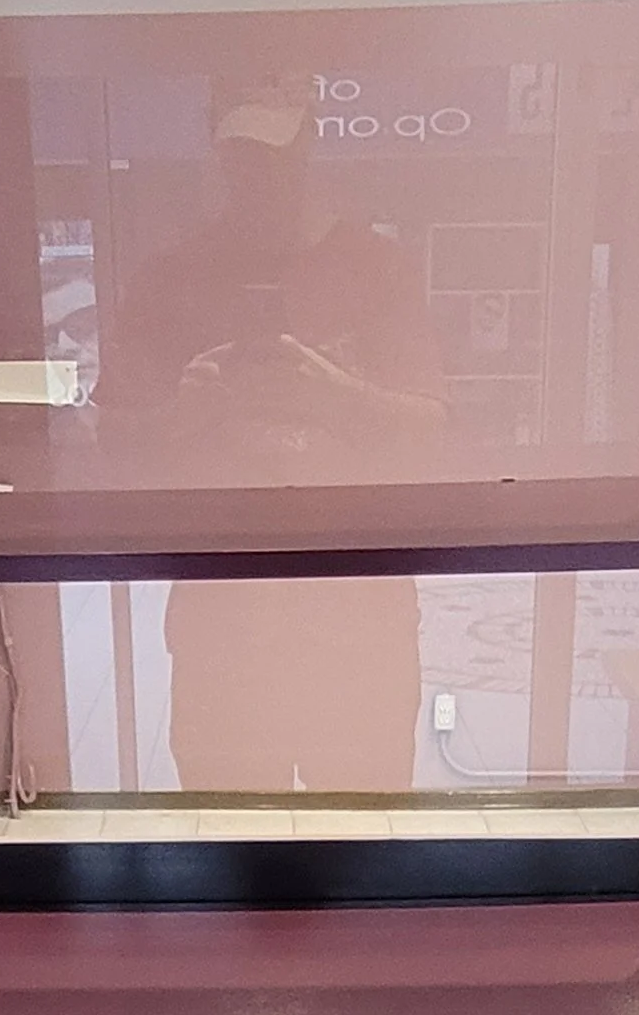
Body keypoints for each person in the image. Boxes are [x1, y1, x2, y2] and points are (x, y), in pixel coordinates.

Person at [108, 88, 450, 796]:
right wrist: (185, 409)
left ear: (308, 150)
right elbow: (107, 443)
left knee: (360, 850)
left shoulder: (376, 269)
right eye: (241, 157)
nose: (258, 176)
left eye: (274, 156)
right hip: (226, 621)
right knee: (231, 849)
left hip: (358, 617)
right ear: (217, 156)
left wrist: (339, 396)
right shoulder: (169, 279)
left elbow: (432, 429)